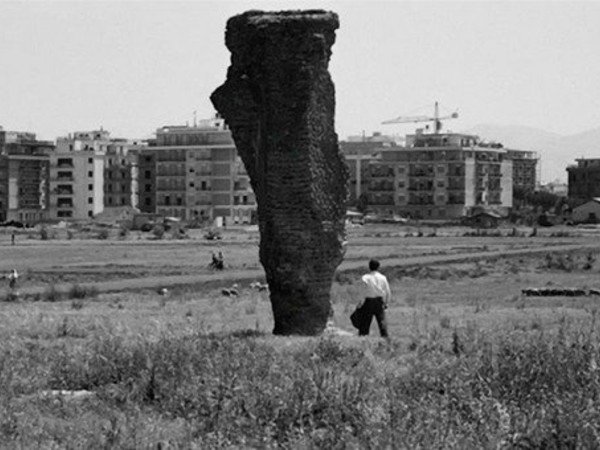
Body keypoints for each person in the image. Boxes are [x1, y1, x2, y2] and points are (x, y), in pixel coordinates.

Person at [356, 259, 391, 337]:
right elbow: (387, 292)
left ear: (369, 267)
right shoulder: (383, 278)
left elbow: (362, 291)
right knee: (382, 324)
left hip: (368, 302)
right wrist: (386, 303)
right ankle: (385, 340)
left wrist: (360, 303)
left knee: (365, 324)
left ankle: (363, 341)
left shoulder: (365, 277)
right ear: (378, 267)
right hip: (379, 301)